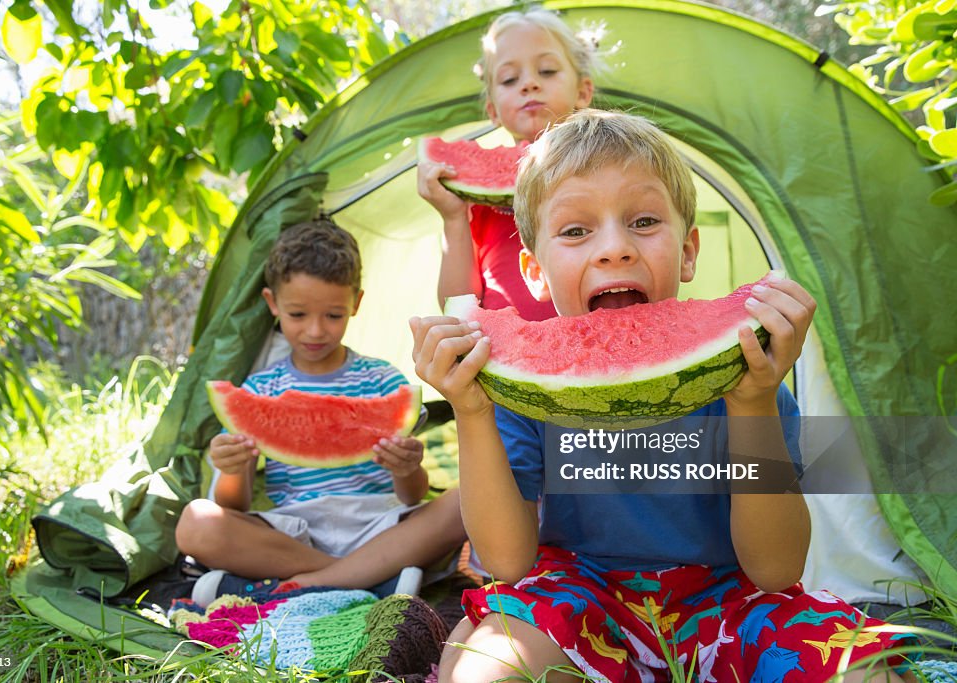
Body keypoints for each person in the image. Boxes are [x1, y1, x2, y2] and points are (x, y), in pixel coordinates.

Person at [410, 109, 917, 682]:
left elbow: (775, 569)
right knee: (487, 675)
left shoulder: (746, 377)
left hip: (729, 600)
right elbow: (505, 562)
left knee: (866, 675)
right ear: (534, 271)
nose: (614, 249)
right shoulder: (528, 396)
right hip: (577, 593)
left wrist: (751, 404)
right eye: (576, 230)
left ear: (690, 250)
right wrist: (472, 411)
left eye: (644, 220)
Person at [177, 219, 465, 602]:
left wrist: (408, 468)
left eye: (333, 315)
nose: (315, 331)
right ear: (272, 303)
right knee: (197, 523)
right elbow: (234, 505)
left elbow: (413, 497)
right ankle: (366, 580)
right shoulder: (261, 390)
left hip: (379, 523)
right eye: (298, 315)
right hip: (296, 531)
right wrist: (231, 470)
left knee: (465, 502)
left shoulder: (383, 381)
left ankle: (298, 586)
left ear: (356, 304)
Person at [418, 7, 595, 320]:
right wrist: (453, 218)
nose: (528, 83)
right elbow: (457, 306)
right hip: (501, 356)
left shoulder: (607, 172)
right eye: (510, 79)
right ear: (493, 110)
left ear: (583, 91)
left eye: (548, 71)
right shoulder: (473, 197)